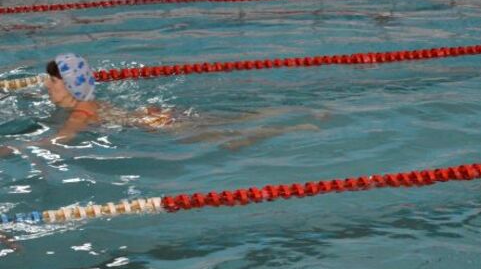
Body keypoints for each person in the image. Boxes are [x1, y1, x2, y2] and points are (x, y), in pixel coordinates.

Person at [2, 53, 318, 152]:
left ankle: (294, 128)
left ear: (69, 86)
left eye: (52, 80)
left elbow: (60, 140)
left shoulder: (82, 112)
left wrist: (12, 149)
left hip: (157, 124)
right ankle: (293, 113)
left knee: (231, 142)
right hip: (154, 115)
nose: (45, 84)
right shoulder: (83, 102)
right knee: (234, 120)